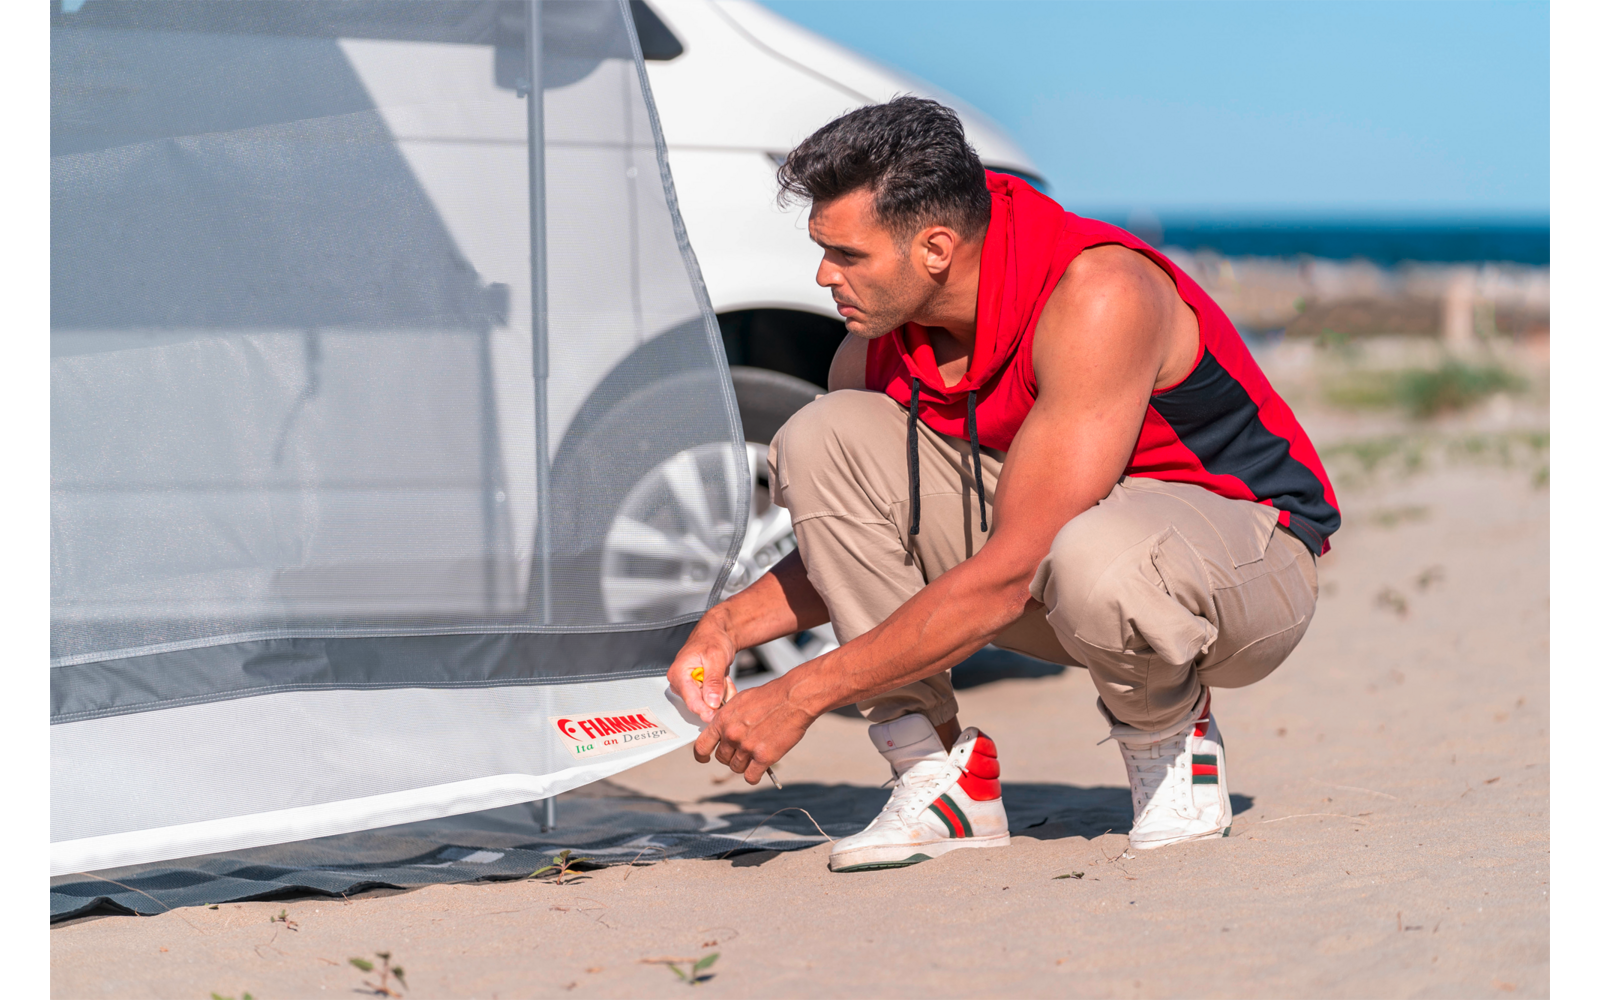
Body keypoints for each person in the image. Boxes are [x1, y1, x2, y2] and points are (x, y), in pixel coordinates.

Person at [667, 97, 1339, 872]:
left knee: (1093, 554)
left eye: (848, 255)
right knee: (825, 435)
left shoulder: (1097, 293)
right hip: (1065, 559)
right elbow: (855, 542)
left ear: (936, 248)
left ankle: (1168, 740)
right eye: (822, 250)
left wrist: (802, 692)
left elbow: (1014, 569)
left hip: (1249, 566)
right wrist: (728, 627)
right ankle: (938, 776)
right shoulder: (876, 344)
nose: (824, 276)